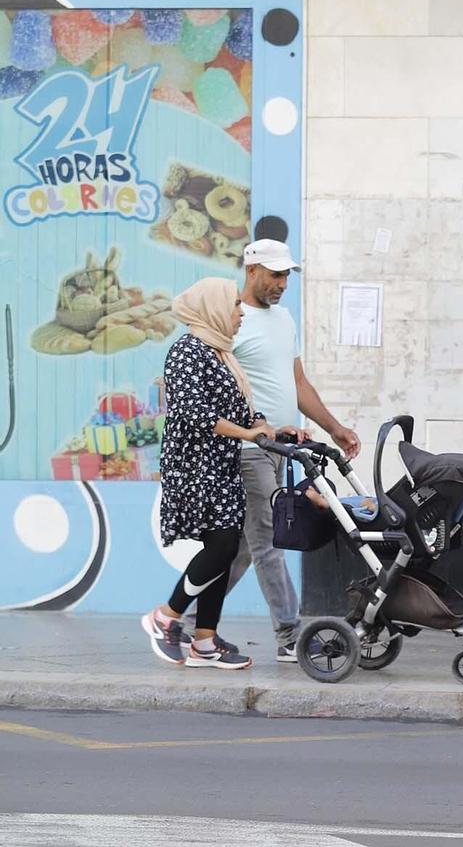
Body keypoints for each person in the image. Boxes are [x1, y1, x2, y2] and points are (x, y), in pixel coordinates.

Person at [170, 240, 361, 663]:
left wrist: (334, 428)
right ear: (251, 270)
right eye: (275, 275)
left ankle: (187, 623)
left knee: (241, 547)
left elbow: (298, 383)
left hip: (278, 446)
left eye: (287, 275)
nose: (282, 284)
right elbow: (210, 391)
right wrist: (249, 432)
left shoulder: (284, 319)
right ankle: (290, 635)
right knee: (268, 540)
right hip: (246, 449)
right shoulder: (228, 319)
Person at [141, 278, 269, 670]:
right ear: (213, 308)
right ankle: (166, 616)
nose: (241, 312)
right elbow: (194, 412)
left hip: (220, 466)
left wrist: (264, 425)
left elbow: (237, 406)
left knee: (223, 549)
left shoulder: (220, 352)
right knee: (222, 547)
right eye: (235, 304)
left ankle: (205, 641)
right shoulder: (187, 351)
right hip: (194, 467)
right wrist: (247, 434)